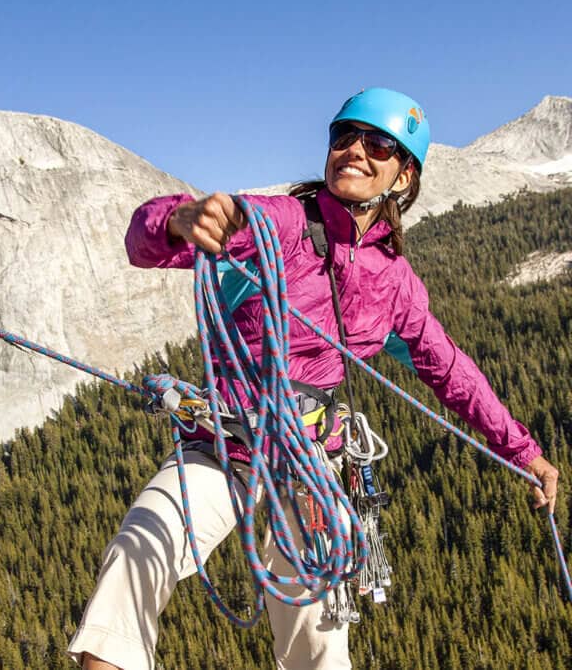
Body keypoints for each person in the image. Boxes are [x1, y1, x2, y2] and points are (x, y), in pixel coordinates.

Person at [67, 88, 560, 669]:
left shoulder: (394, 281)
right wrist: (181, 218)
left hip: (308, 467)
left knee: (320, 650)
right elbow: (147, 241)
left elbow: (449, 369)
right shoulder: (278, 224)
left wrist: (525, 454)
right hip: (226, 446)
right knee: (137, 551)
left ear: (403, 177)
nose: (354, 150)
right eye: (344, 137)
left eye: (378, 144)